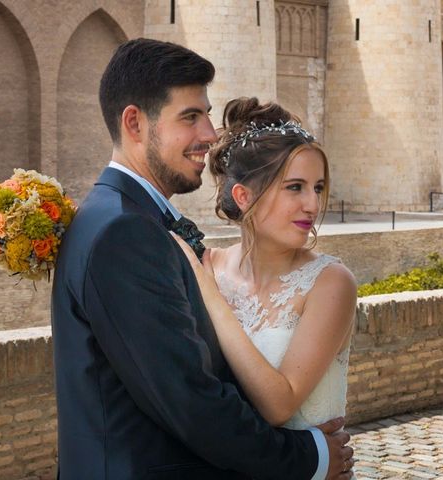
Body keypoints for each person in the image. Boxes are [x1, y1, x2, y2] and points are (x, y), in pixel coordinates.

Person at [51, 38, 354, 479]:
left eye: (207, 115)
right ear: (135, 123)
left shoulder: (114, 216)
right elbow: (189, 400)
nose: (210, 135)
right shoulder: (125, 230)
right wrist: (311, 457)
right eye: (190, 117)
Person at [174, 98, 357, 475]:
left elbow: (280, 404)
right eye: (295, 187)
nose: (312, 203)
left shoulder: (330, 283)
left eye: (317, 187)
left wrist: (212, 299)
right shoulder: (210, 265)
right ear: (244, 196)